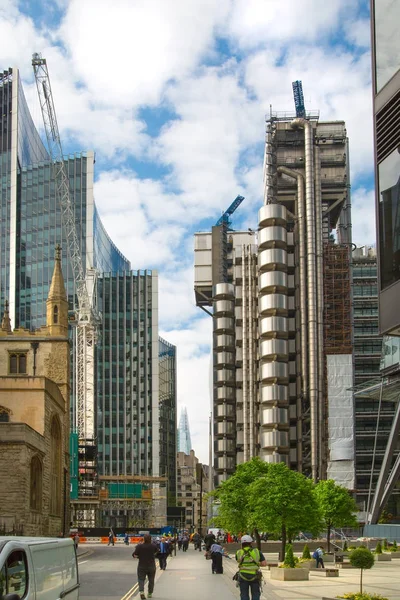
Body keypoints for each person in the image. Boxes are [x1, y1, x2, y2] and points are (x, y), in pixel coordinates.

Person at [235, 535, 266, 600]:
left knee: (244, 594)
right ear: (251, 543)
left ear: (242, 543)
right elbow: (264, 563)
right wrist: (256, 564)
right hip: (255, 576)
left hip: (242, 576)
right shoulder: (257, 551)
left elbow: (238, 561)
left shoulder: (239, 552)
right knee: (255, 594)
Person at [133, 534, 159, 600]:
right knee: (151, 580)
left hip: (142, 566)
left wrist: (139, 556)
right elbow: (157, 552)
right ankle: (150, 593)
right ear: (150, 539)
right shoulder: (153, 546)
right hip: (151, 566)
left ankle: (141, 592)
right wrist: (152, 555)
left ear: (144, 539)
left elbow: (134, 555)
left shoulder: (140, 546)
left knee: (141, 579)